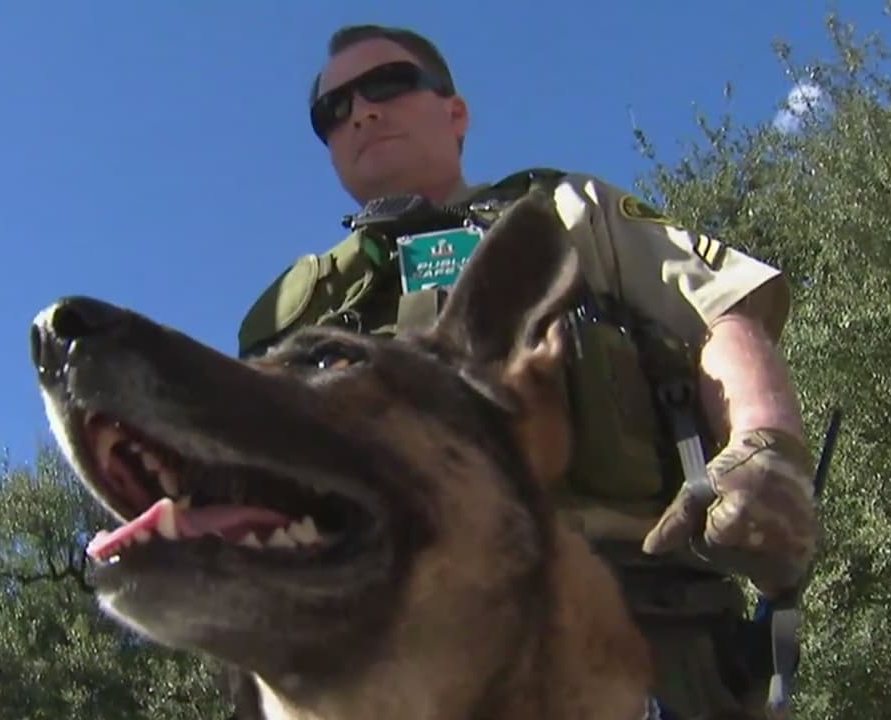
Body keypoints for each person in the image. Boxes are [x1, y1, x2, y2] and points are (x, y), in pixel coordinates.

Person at [236, 24, 819, 720]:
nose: (360, 113)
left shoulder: (571, 212)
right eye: (332, 110)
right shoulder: (300, 311)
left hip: (632, 635)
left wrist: (765, 447)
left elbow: (720, 310)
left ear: (455, 113)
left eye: (386, 85)